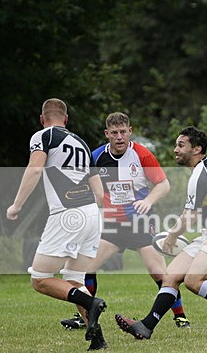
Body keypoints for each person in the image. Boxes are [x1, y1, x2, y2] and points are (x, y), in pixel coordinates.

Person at [114, 126, 207, 339]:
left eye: (181, 145)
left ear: (197, 149)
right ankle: (146, 326)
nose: (176, 150)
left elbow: (189, 216)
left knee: (193, 281)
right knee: (170, 276)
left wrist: (171, 237)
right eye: (176, 145)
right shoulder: (203, 169)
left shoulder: (202, 173)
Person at [60, 112, 190, 331]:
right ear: (107, 134)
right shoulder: (97, 156)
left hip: (140, 222)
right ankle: (84, 314)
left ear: (130, 131)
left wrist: (148, 200)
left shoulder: (142, 154)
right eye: (114, 133)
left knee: (159, 273)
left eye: (123, 132)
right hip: (111, 224)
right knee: (85, 268)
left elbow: (163, 185)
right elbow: (84, 184)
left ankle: (180, 316)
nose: (119, 137)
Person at [6, 98, 108, 350]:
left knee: (40, 279)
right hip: (92, 215)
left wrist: (16, 205)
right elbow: (100, 193)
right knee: (74, 279)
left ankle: (93, 304)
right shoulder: (82, 143)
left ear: (43, 119)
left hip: (68, 214)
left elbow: (34, 169)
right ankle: (98, 339)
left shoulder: (43, 136)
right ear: (66, 119)